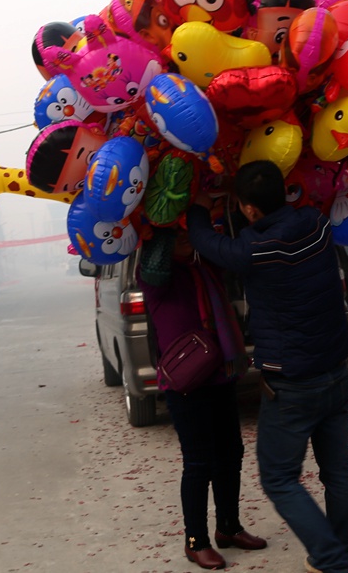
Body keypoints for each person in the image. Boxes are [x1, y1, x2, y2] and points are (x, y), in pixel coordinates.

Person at [187, 160, 348, 573]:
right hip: (337, 371)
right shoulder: (318, 225)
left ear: (248, 210)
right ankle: (337, 555)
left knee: (279, 478)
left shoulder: (255, 251)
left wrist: (199, 203)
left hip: (294, 384)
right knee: (337, 472)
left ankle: (335, 562)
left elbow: (203, 240)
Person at [136, 228, 265, 570]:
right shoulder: (155, 277)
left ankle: (228, 527)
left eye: (186, 233)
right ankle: (196, 541)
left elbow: (228, 243)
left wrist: (200, 219)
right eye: (175, 235)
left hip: (219, 373)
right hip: (185, 383)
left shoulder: (203, 266)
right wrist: (162, 227)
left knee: (230, 452)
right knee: (199, 462)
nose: (186, 237)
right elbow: (158, 259)